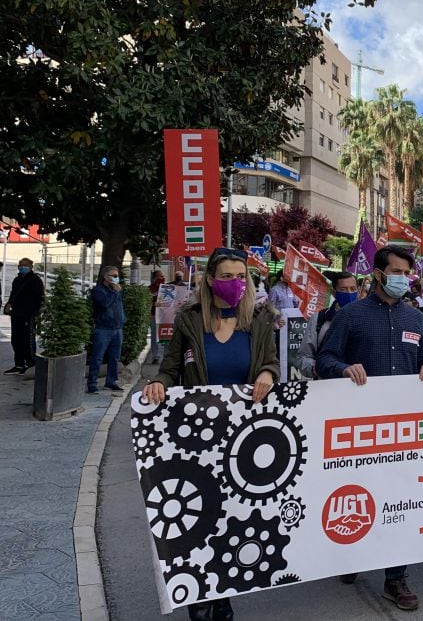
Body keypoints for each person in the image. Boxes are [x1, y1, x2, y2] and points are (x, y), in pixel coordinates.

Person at [142, 247, 278, 621]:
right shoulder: (190, 321)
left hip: (244, 439)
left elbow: (270, 362)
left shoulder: (261, 319)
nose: (235, 283)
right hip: (198, 439)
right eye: (227, 276)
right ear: (211, 280)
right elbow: (170, 369)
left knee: (233, 518)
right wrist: (158, 383)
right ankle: (199, 595)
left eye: (241, 276)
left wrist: (267, 374)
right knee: (200, 516)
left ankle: (222, 592)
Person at [317, 245, 423, 611]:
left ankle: (395, 578)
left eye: (407, 273)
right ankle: (353, 555)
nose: (402, 279)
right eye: (396, 271)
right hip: (361, 429)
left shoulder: (416, 320)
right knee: (359, 494)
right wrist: (342, 369)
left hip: (403, 430)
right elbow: (325, 359)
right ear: (379, 274)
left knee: (399, 498)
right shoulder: (351, 317)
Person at [297, 272, 358, 379]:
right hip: (327, 385)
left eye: (353, 289)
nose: (349, 293)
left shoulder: (368, 317)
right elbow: (303, 356)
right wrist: (316, 368)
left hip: (363, 385)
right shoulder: (319, 318)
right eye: (343, 290)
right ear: (334, 292)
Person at [87, 266, 126, 394]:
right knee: (98, 357)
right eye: (113, 276)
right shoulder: (98, 290)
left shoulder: (117, 290)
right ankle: (92, 383)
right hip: (103, 328)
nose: (116, 278)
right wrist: (115, 292)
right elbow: (104, 304)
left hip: (117, 328)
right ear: (105, 277)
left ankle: (111, 381)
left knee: (115, 357)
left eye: (117, 275)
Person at [3, 257, 45, 375]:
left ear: (31, 267)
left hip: (29, 314)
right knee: (16, 339)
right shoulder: (17, 279)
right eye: (20, 265)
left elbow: (40, 297)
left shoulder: (35, 280)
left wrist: (37, 313)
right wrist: (9, 303)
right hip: (16, 314)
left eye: (25, 265)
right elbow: (13, 293)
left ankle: (31, 364)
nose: (22, 267)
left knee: (27, 340)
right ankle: (19, 364)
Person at [148, 270, 166, 364]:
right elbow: (146, 301)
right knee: (155, 336)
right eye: (159, 276)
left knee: (166, 336)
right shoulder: (150, 289)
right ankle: (156, 356)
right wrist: (153, 303)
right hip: (154, 315)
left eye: (162, 276)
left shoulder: (168, 288)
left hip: (166, 316)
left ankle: (167, 356)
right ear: (154, 278)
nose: (161, 278)